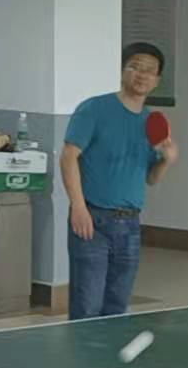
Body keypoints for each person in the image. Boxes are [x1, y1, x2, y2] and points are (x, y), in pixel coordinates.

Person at [60, 42, 179, 320]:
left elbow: (151, 178)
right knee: (87, 305)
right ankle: (82, 350)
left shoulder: (151, 122)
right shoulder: (94, 108)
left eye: (150, 70)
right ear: (122, 70)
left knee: (117, 306)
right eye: (135, 67)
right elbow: (68, 157)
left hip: (130, 225)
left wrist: (166, 160)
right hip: (93, 220)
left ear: (157, 80)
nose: (142, 75)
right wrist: (78, 207)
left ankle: (108, 350)